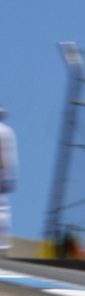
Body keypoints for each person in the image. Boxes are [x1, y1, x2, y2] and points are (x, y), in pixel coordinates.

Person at [0, 107, 17, 251]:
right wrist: (9, 177)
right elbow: (8, 157)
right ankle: (2, 245)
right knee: (1, 209)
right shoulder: (5, 132)